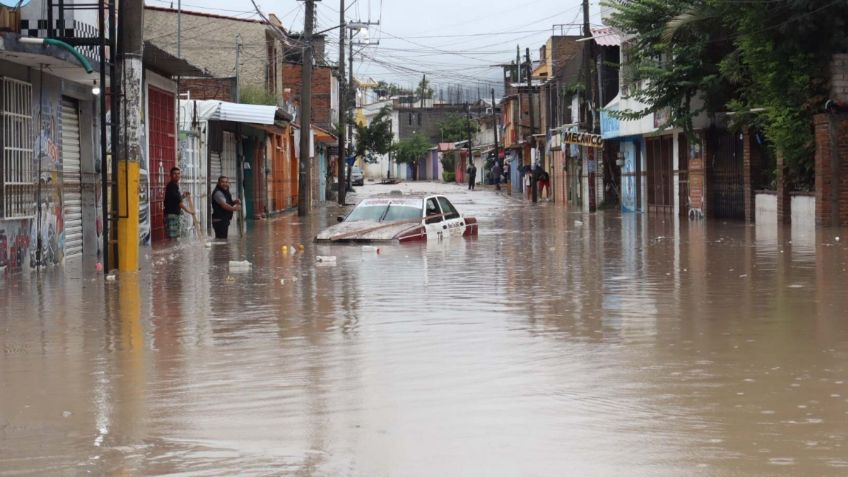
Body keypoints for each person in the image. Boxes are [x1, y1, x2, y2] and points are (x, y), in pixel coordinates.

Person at [163, 167, 194, 239]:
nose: (177, 175)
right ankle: (172, 250)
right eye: (174, 174)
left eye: (178, 174)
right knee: (173, 238)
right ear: (170, 175)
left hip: (174, 215)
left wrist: (183, 196)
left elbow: (175, 199)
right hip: (171, 216)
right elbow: (179, 203)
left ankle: (173, 250)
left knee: (174, 237)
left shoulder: (174, 186)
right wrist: (190, 211)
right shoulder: (172, 186)